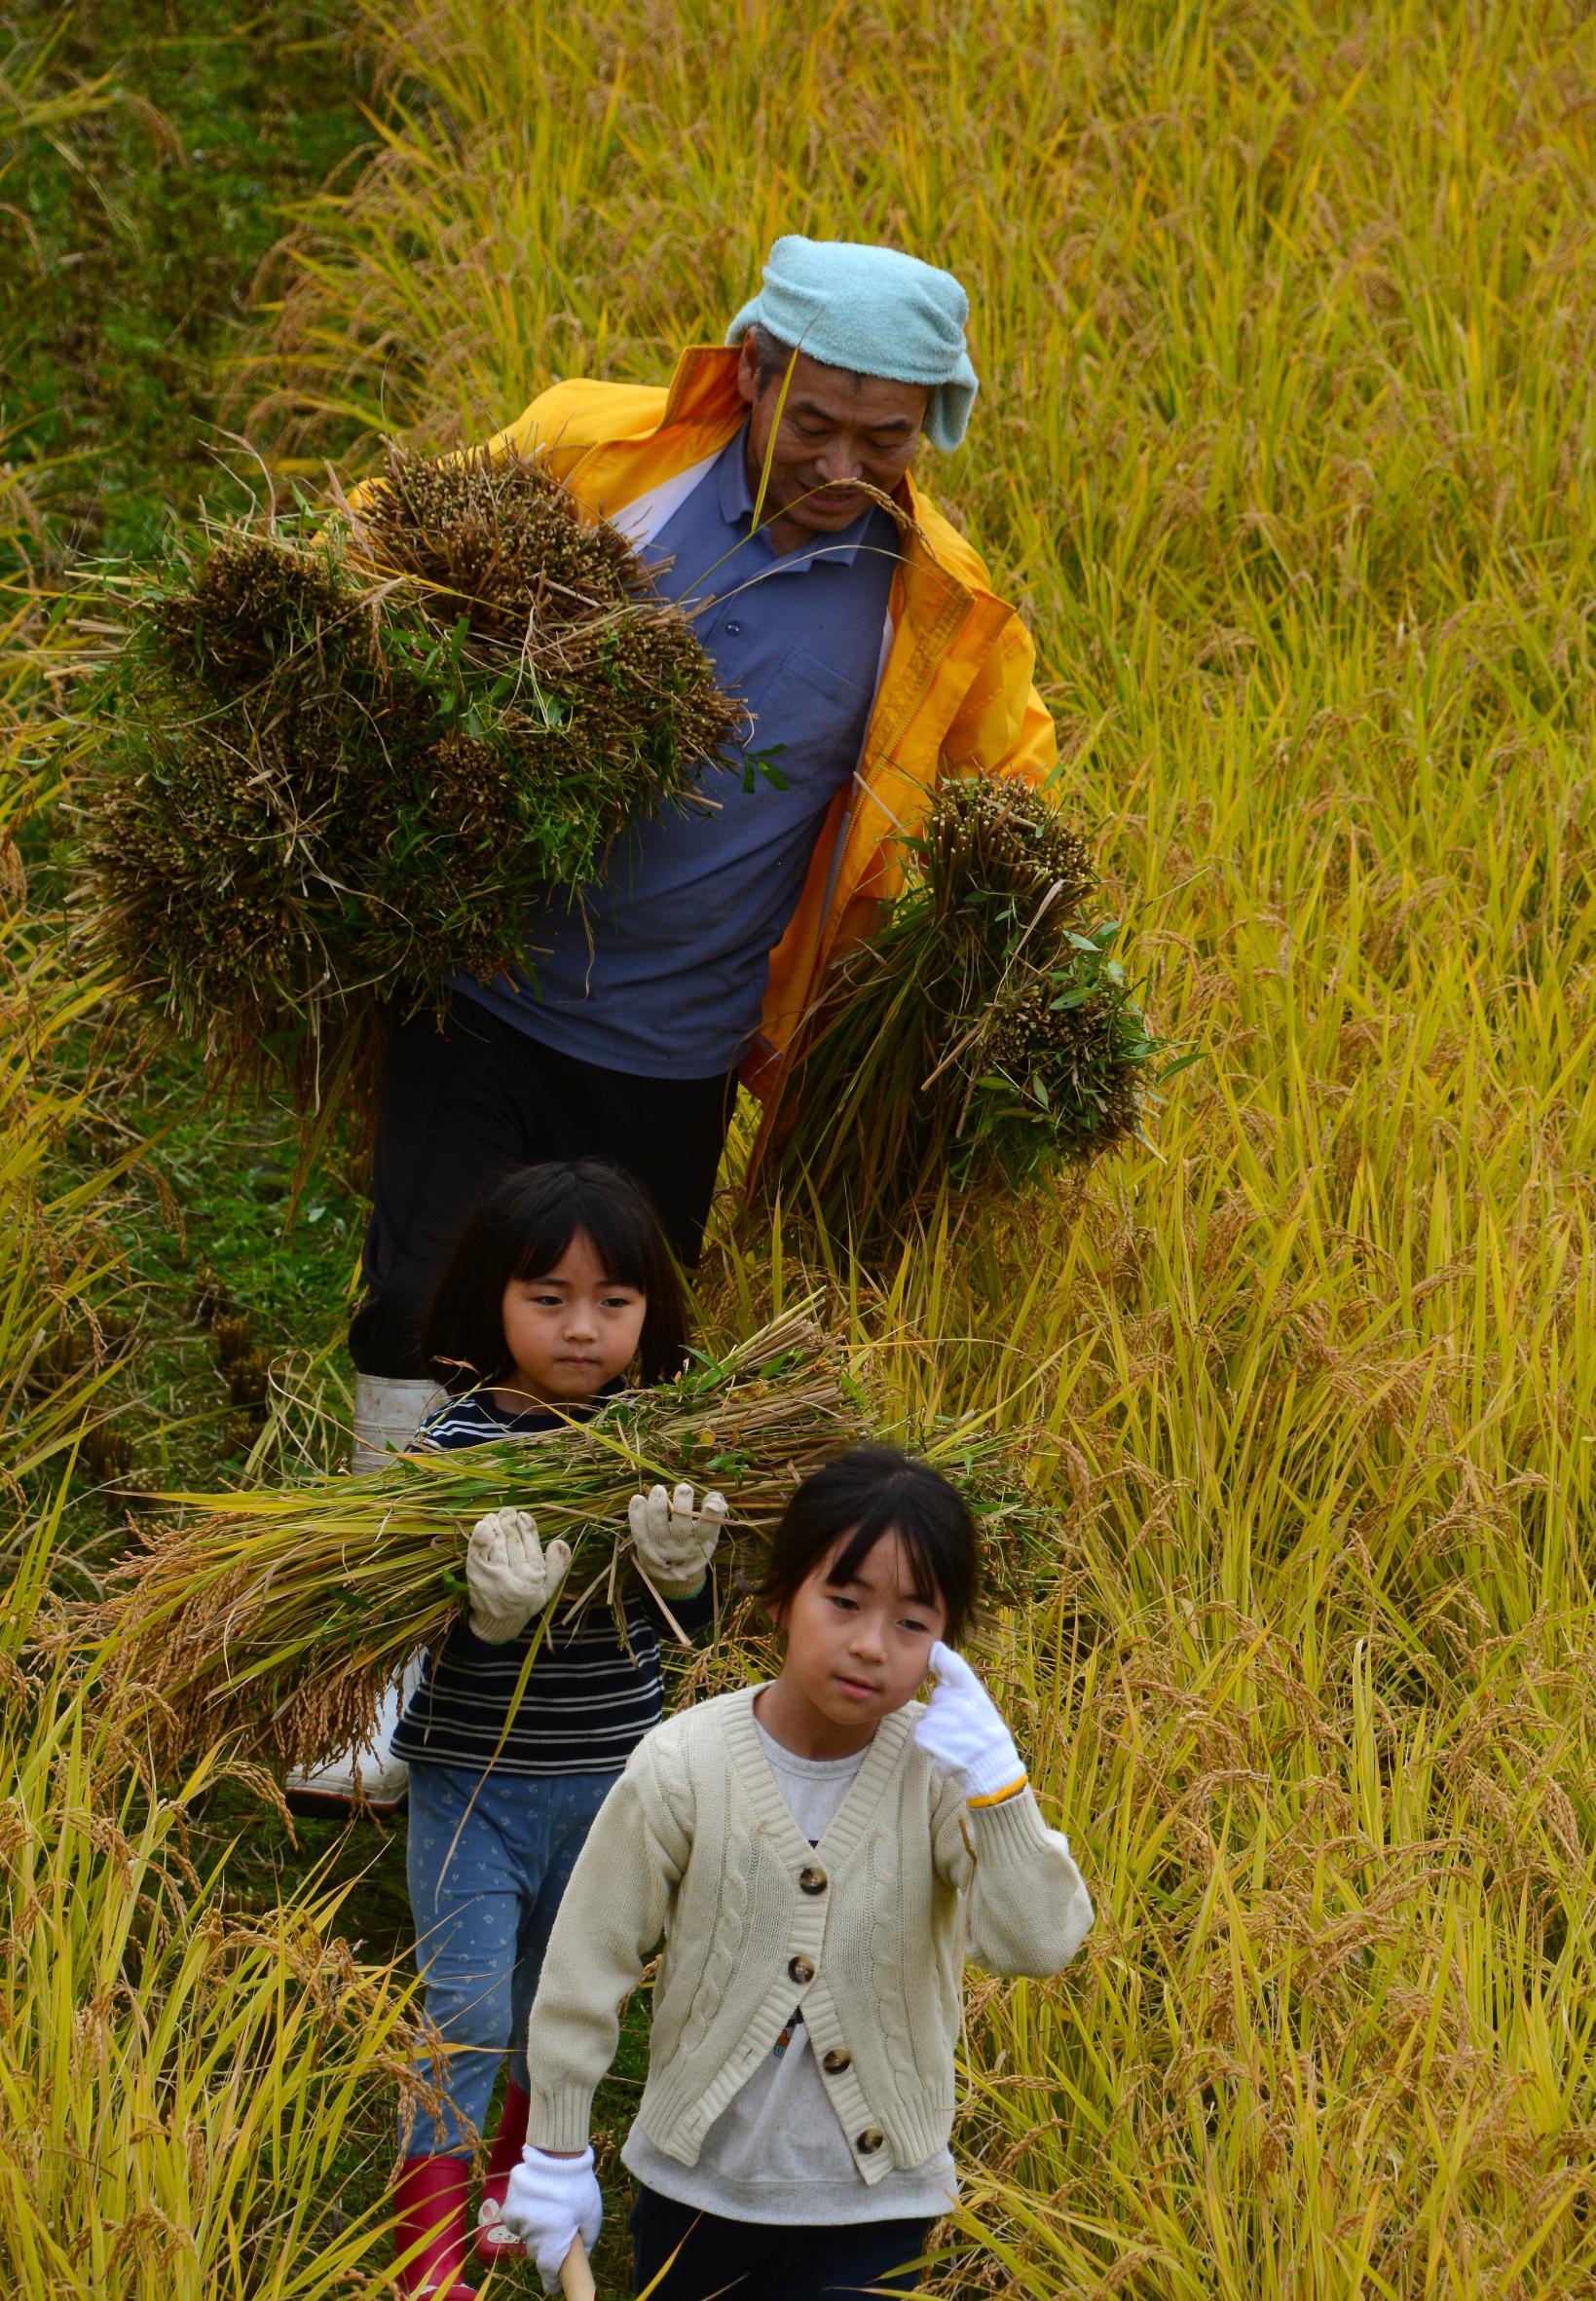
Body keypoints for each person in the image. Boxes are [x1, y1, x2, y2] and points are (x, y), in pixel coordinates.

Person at [349, 232, 1061, 1467]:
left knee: (611, 1354)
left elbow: (1015, 791)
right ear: (751, 373)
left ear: (929, 430)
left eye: (884, 441)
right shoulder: (598, 455)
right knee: (425, 1304)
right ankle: (371, 1559)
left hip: (677, 1049)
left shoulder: (936, 605)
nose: (841, 467)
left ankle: (555, 1585)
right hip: (483, 983)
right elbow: (377, 546)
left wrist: (1012, 945)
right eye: (813, 423)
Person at [496, 1446, 1095, 2300]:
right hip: (695, 2196)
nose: (870, 1645)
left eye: (911, 1622)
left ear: (945, 1647)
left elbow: (1037, 1944)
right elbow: (585, 1964)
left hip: (879, 2206)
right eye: (843, 1601)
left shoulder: (941, 1780)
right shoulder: (683, 1764)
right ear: (779, 1595)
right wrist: (555, 2152)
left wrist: (1000, 1794)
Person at [387, 1158, 730, 2300]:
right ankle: (426, 2251)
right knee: (467, 2010)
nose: (581, 1327)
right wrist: (484, 1619)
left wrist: (685, 1576)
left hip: (613, 1787)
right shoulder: (450, 1448)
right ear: (492, 1296)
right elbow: (411, 1623)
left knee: (560, 2007)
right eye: (547, 1297)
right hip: (472, 1783)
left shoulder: (661, 1442)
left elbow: (695, 1628)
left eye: (612, 1300)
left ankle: (514, 2190)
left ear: (648, 1309)